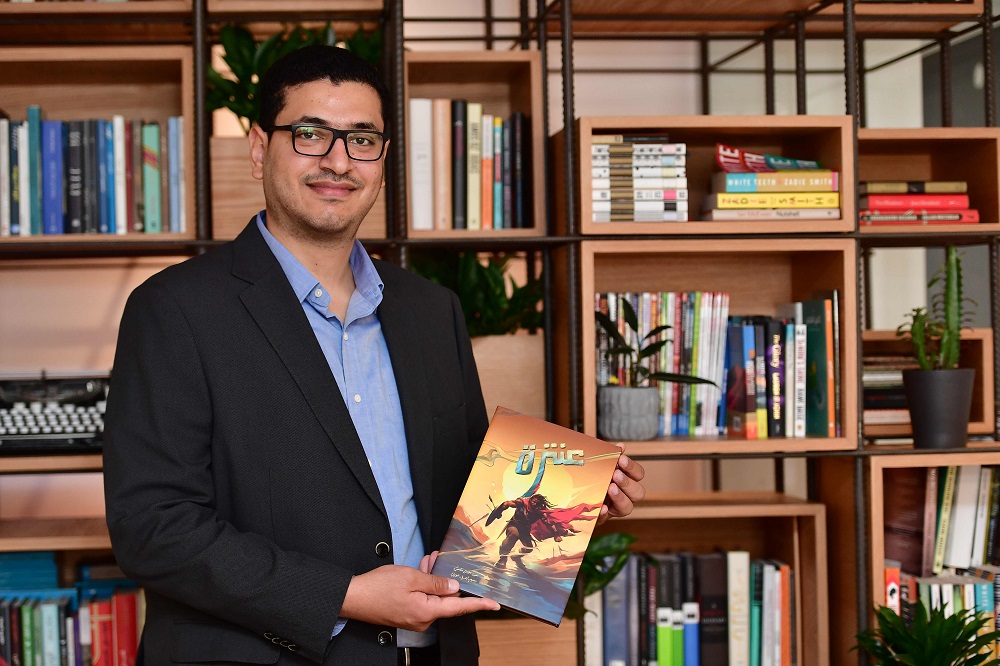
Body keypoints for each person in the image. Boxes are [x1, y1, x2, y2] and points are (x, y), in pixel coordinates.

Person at [102, 44, 646, 666]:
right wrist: (346, 596)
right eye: (310, 134)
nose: (338, 161)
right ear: (258, 149)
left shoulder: (431, 309)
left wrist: (569, 511)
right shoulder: (174, 309)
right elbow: (153, 528)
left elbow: (463, 506)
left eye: (362, 140)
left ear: (383, 162)